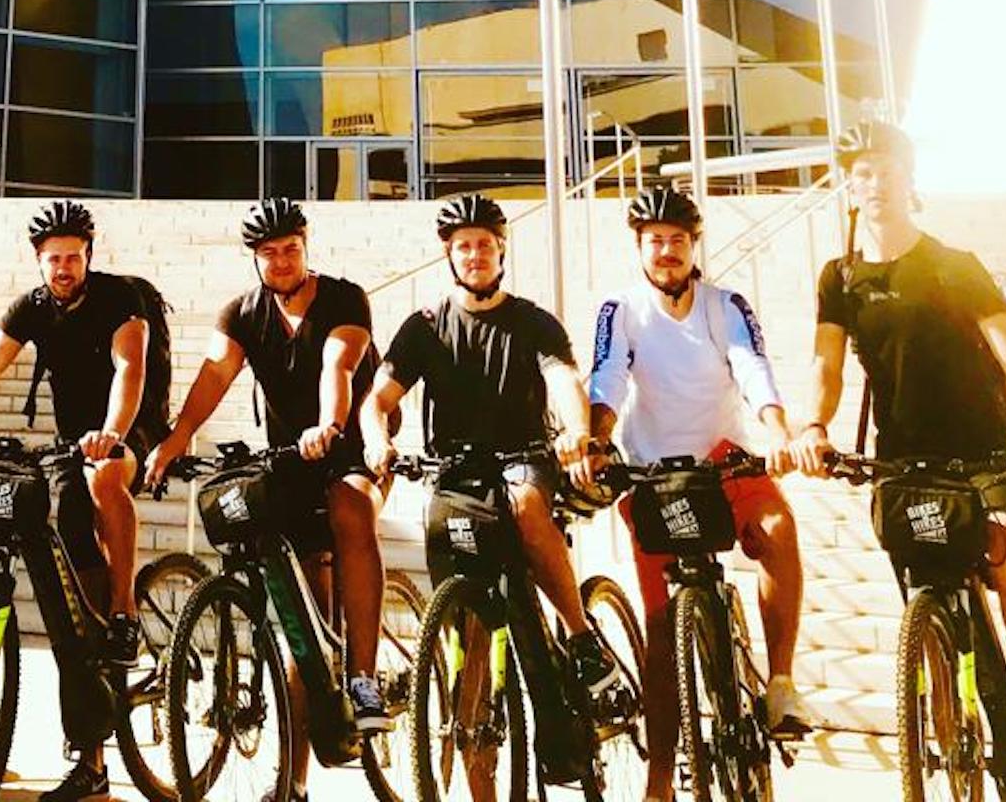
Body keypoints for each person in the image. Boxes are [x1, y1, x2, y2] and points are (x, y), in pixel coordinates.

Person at [792, 122, 1006, 787]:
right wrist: (813, 426)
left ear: (908, 177)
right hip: (904, 462)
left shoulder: (954, 264)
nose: (875, 182)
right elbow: (828, 368)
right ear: (849, 186)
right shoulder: (840, 277)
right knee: (925, 588)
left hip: (983, 450)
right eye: (862, 172)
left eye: (887, 168)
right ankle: (958, 716)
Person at [0, 198, 164, 802]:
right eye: (53, 259)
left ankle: (127, 611)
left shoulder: (118, 300)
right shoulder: (32, 307)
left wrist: (113, 432)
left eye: (73, 258)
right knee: (75, 610)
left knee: (106, 478)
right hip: (66, 443)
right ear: (38, 261)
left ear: (88, 257)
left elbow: (129, 367)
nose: (63, 269)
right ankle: (92, 760)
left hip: (125, 430)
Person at [147, 196, 390, 784]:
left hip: (352, 441)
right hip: (291, 458)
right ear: (254, 261)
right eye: (268, 254)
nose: (280, 262)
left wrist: (330, 424)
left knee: (350, 505)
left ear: (306, 248)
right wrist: (176, 439)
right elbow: (213, 374)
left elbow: (341, 364)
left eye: (290, 250)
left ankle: (364, 677)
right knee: (301, 629)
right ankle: (295, 782)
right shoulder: (243, 314)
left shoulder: (343, 298)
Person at [587, 186, 809, 800]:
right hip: (653, 472)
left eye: (677, 241)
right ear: (638, 247)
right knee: (661, 634)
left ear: (693, 246)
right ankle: (660, 780)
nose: (665, 251)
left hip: (725, 460)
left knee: (779, 532)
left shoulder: (723, 304)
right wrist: (597, 439)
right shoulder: (621, 308)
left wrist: (775, 429)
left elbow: (752, 365)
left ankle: (782, 682)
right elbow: (605, 377)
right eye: (654, 240)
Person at [359, 194, 620, 704]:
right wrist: (376, 438)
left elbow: (563, 381)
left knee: (524, 504)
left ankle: (580, 635)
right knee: (466, 631)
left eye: (484, 245)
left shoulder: (532, 321)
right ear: (449, 256)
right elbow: (378, 398)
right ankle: (473, 733)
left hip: (523, 460)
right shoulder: (426, 326)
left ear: (502, 251)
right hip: (455, 473)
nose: (474, 255)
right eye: (463, 247)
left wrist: (575, 431)